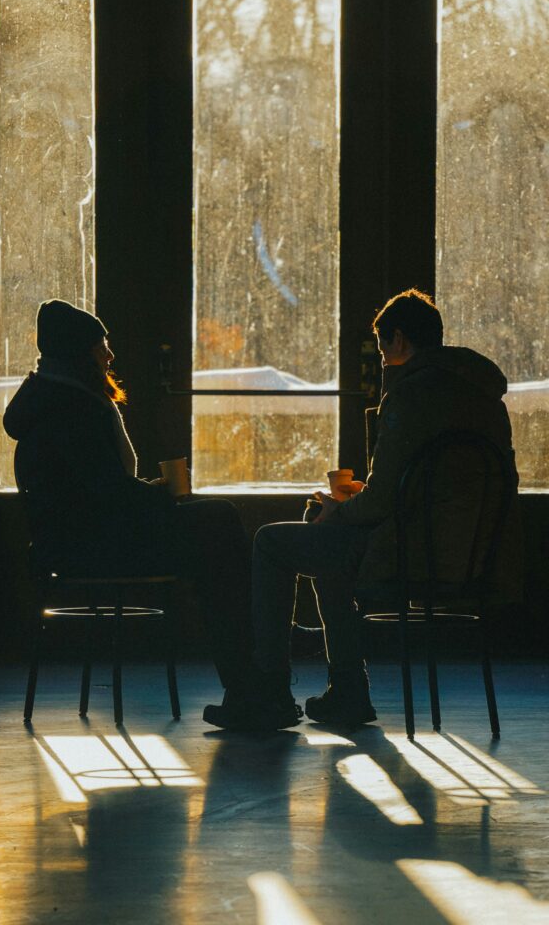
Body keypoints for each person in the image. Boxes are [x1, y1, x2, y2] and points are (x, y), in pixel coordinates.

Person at [205, 288, 522, 731]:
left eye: (382, 349)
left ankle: (272, 690)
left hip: (404, 552)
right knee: (332, 541)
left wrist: (338, 508)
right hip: (467, 556)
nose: (383, 361)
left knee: (274, 541)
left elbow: (382, 498)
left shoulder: (411, 396)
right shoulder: (488, 401)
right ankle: (346, 690)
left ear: (397, 340)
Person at [4, 299, 255, 719]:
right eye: (100, 345)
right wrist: (161, 495)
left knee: (213, 527)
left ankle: (250, 680)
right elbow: (108, 497)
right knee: (219, 524)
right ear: (77, 353)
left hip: (77, 544)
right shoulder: (74, 412)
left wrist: (149, 495)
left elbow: (95, 494)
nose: (109, 354)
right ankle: (251, 679)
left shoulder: (52, 404)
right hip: (98, 549)